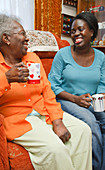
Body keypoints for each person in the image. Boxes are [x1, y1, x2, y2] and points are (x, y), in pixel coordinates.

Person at [0, 13, 92, 170]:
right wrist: (6, 79)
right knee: (56, 149)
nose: (27, 39)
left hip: (42, 112)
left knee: (83, 131)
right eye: (22, 33)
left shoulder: (33, 59)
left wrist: (57, 121)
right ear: (6, 38)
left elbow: (47, 91)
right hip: (17, 120)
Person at [48, 12, 105, 170]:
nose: (76, 34)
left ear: (92, 32)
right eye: (73, 31)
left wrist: (100, 97)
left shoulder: (101, 57)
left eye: (81, 29)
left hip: (91, 101)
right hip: (66, 100)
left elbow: (102, 84)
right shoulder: (62, 54)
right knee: (91, 123)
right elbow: (52, 85)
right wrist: (75, 99)